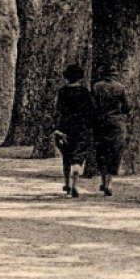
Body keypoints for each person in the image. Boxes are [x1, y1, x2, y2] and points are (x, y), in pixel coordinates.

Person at [52, 65, 95, 198]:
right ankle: (75, 183)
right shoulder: (85, 92)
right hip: (82, 127)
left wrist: (56, 127)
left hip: (65, 127)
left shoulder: (62, 92)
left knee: (66, 156)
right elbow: (92, 109)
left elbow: (58, 109)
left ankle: (67, 184)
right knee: (78, 156)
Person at [92, 79, 131, 197]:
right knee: (115, 151)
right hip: (116, 122)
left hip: (100, 122)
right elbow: (127, 106)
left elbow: (92, 105)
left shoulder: (96, 86)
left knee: (101, 152)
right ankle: (109, 182)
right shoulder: (120, 87)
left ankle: (104, 181)